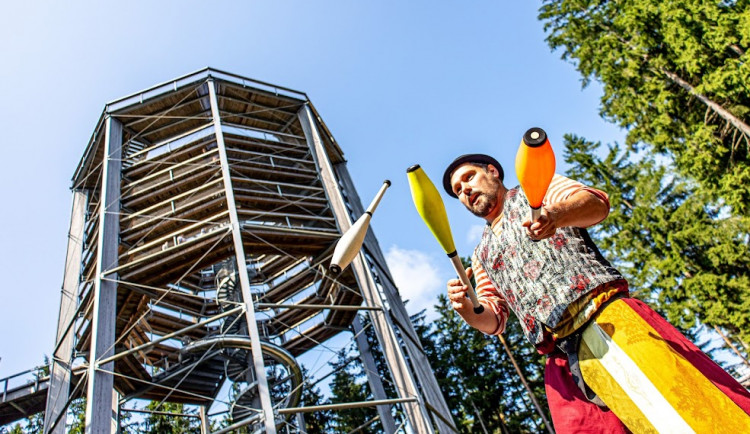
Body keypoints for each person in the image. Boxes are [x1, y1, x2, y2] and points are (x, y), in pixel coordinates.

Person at [442, 153, 750, 433]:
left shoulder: (537, 189)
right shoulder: (481, 254)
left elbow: (595, 204)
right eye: (457, 191)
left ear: (493, 171)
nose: (464, 190)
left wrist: (555, 216)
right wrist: (467, 309)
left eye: (468, 177)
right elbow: (494, 319)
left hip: (607, 320)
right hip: (562, 361)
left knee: (681, 411)